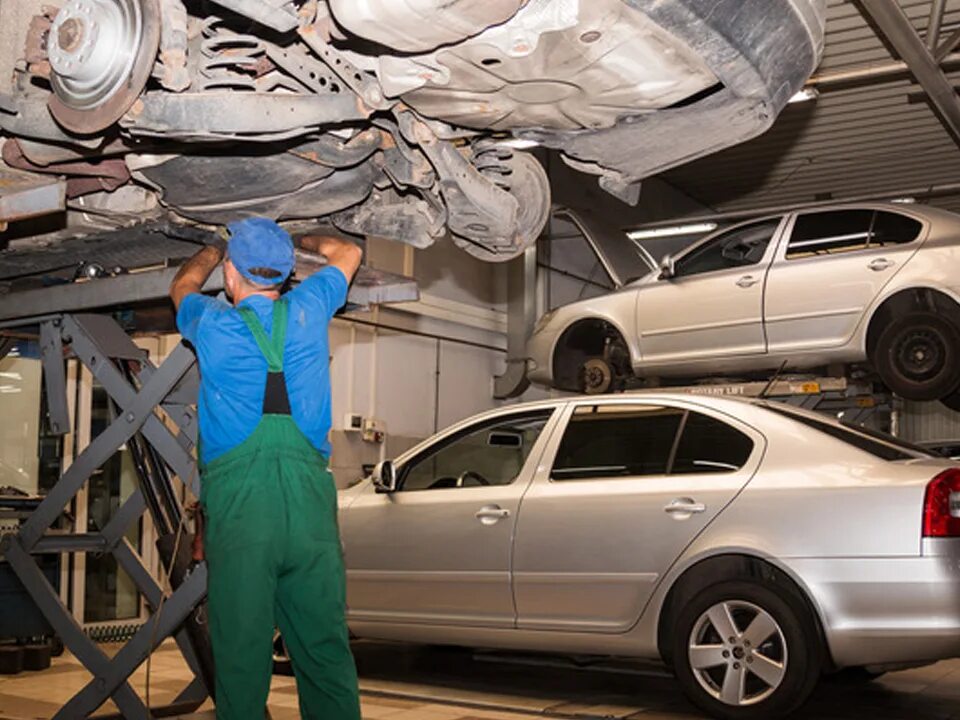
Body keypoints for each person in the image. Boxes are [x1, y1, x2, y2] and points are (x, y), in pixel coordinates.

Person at [169, 217, 363, 720]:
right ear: (285, 275)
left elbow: (182, 287)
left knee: (242, 658)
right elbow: (348, 254)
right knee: (324, 653)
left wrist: (212, 252)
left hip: (242, 512)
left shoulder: (211, 323)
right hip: (309, 509)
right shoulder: (311, 307)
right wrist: (302, 241)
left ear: (232, 276)